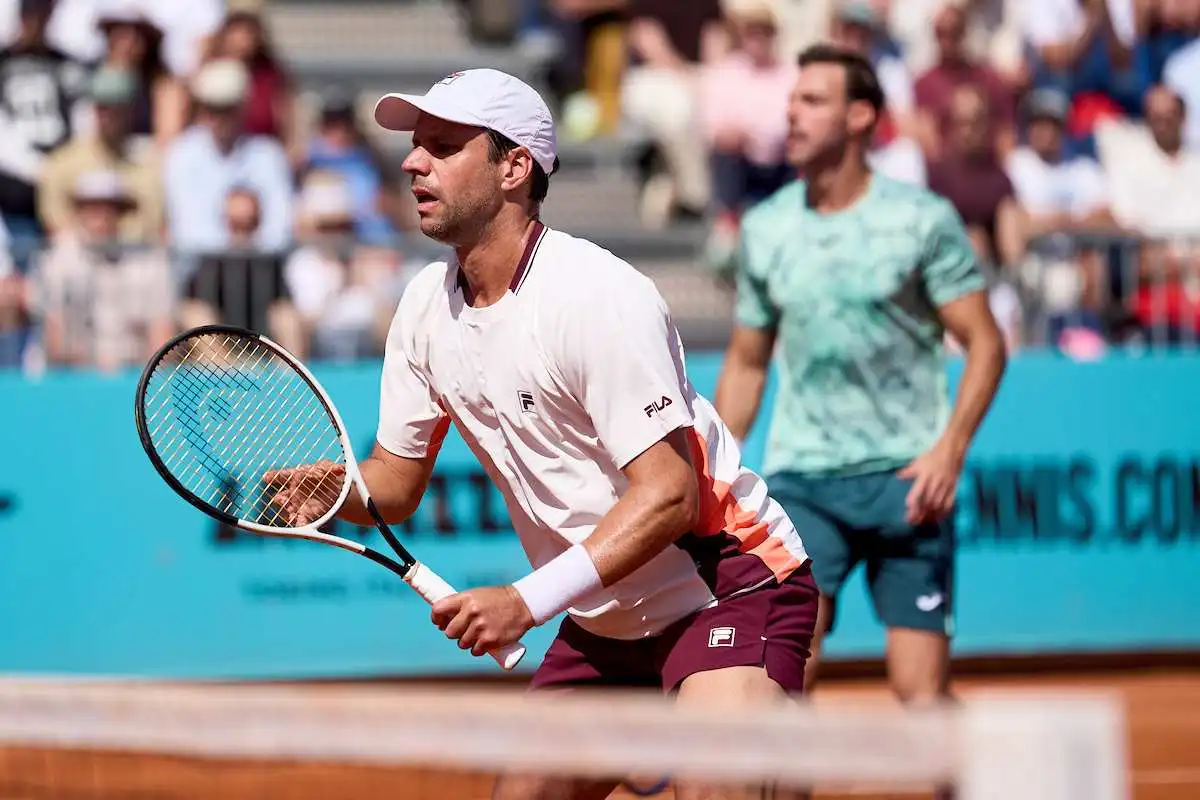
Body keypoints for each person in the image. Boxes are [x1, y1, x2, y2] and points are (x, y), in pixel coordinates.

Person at [264, 68, 817, 800]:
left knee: (716, 788)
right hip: (605, 621)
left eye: (442, 145)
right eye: (414, 145)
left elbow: (671, 497)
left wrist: (525, 602)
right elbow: (394, 488)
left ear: (514, 167)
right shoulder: (424, 309)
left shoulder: (598, 296)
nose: (411, 162)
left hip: (726, 588)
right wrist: (343, 490)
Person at [715, 45, 1007, 717]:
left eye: (812, 100)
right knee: (785, 681)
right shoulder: (764, 229)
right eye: (791, 99)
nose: (792, 112)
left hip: (909, 483)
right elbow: (748, 360)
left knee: (920, 693)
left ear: (860, 117)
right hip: (803, 482)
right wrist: (719, 469)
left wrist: (949, 451)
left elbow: (986, 344)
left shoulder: (921, 220)